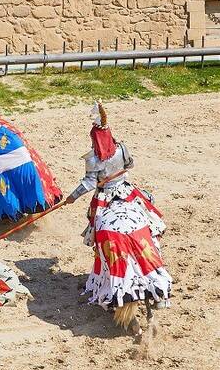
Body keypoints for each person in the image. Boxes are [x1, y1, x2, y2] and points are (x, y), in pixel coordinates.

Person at [65, 103, 172, 311]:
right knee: (149, 217)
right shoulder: (121, 148)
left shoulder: (93, 158)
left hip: (106, 197)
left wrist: (72, 196)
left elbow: (88, 183)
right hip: (126, 189)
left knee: (94, 224)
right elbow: (130, 165)